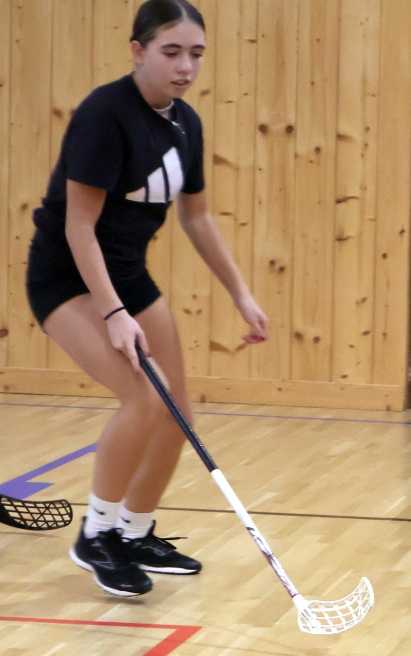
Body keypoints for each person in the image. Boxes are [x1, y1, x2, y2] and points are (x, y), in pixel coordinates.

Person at [25, 0, 268, 598]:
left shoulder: (186, 124)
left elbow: (197, 217)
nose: (186, 67)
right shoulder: (105, 115)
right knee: (142, 398)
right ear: (138, 51)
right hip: (68, 278)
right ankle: (97, 535)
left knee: (177, 413)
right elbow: (79, 227)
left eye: (196, 54)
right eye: (171, 52)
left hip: (129, 277)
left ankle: (134, 533)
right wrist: (112, 314)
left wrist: (240, 293)